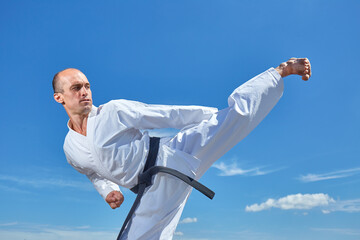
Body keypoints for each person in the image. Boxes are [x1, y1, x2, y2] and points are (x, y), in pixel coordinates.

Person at [53, 58, 311, 239]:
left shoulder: (112, 111)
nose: (85, 92)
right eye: (76, 88)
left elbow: (165, 115)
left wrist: (211, 117)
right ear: (60, 97)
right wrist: (109, 191)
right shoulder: (70, 148)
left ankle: (279, 72)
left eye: (87, 86)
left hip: (171, 154)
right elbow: (92, 171)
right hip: (151, 190)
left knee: (236, 118)